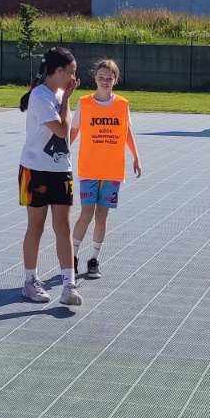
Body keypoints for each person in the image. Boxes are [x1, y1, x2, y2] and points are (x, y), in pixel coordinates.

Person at [18, 48, 82, 308]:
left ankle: (69, 284)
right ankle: (30, 280)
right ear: (59, 71)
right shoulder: (40, 96)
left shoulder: (58, 94)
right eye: (71, 72)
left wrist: (65, 98)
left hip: (61, 169)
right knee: (36, 225)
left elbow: (67, 135)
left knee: (63, 226)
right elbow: (61, 130)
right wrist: (66, 99)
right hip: (35, 169)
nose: (74, 78)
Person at [70, 58, 142, 279]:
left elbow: (126, 132)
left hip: (112, 170)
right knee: (86, 213)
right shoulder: (84, 103)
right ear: (95, 78)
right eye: (101, 77)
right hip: (89, 168)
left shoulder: (122, 104)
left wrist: (136, 156)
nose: (105, 81)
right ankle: (72, 257)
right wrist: (62, 151)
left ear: (115, 80)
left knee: (102, 217)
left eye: (109, 78)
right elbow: (74, 130)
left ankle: (94, 259)